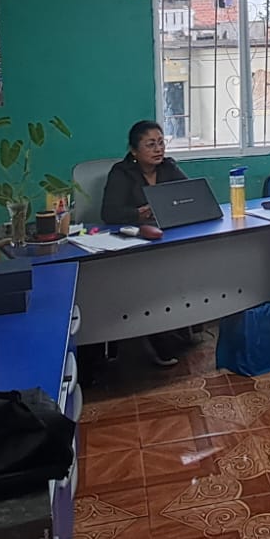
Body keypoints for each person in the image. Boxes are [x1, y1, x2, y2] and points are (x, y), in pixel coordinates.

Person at [100, 120, 194, 367]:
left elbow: (192, 196)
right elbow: (109, 213)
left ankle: (178, 328)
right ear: (134, 150)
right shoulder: (121, 173)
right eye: (151, 144)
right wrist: (136, 214)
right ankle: (157, 336)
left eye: (161, 143)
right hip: (133, 242)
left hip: (167, 237)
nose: (158, 149)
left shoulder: (169, 167)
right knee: (152, 278)